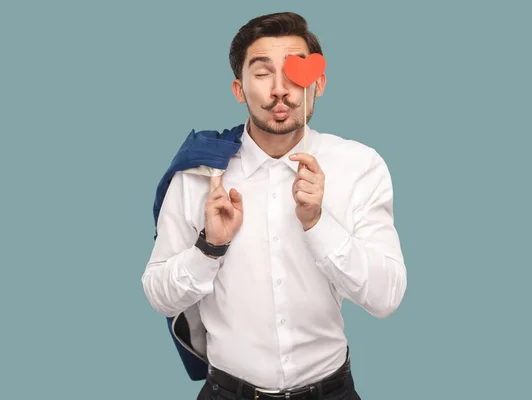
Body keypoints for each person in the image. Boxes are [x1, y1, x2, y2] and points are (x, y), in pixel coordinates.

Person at [142, 11, 407, 400]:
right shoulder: (200, 174)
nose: (280, 89)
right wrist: (209, 248)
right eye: (263, 73)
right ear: (239, 89)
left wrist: (318, 222)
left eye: (296, 72)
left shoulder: (359, 166)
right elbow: (158, 294)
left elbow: (387, 298)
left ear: (318, 82)